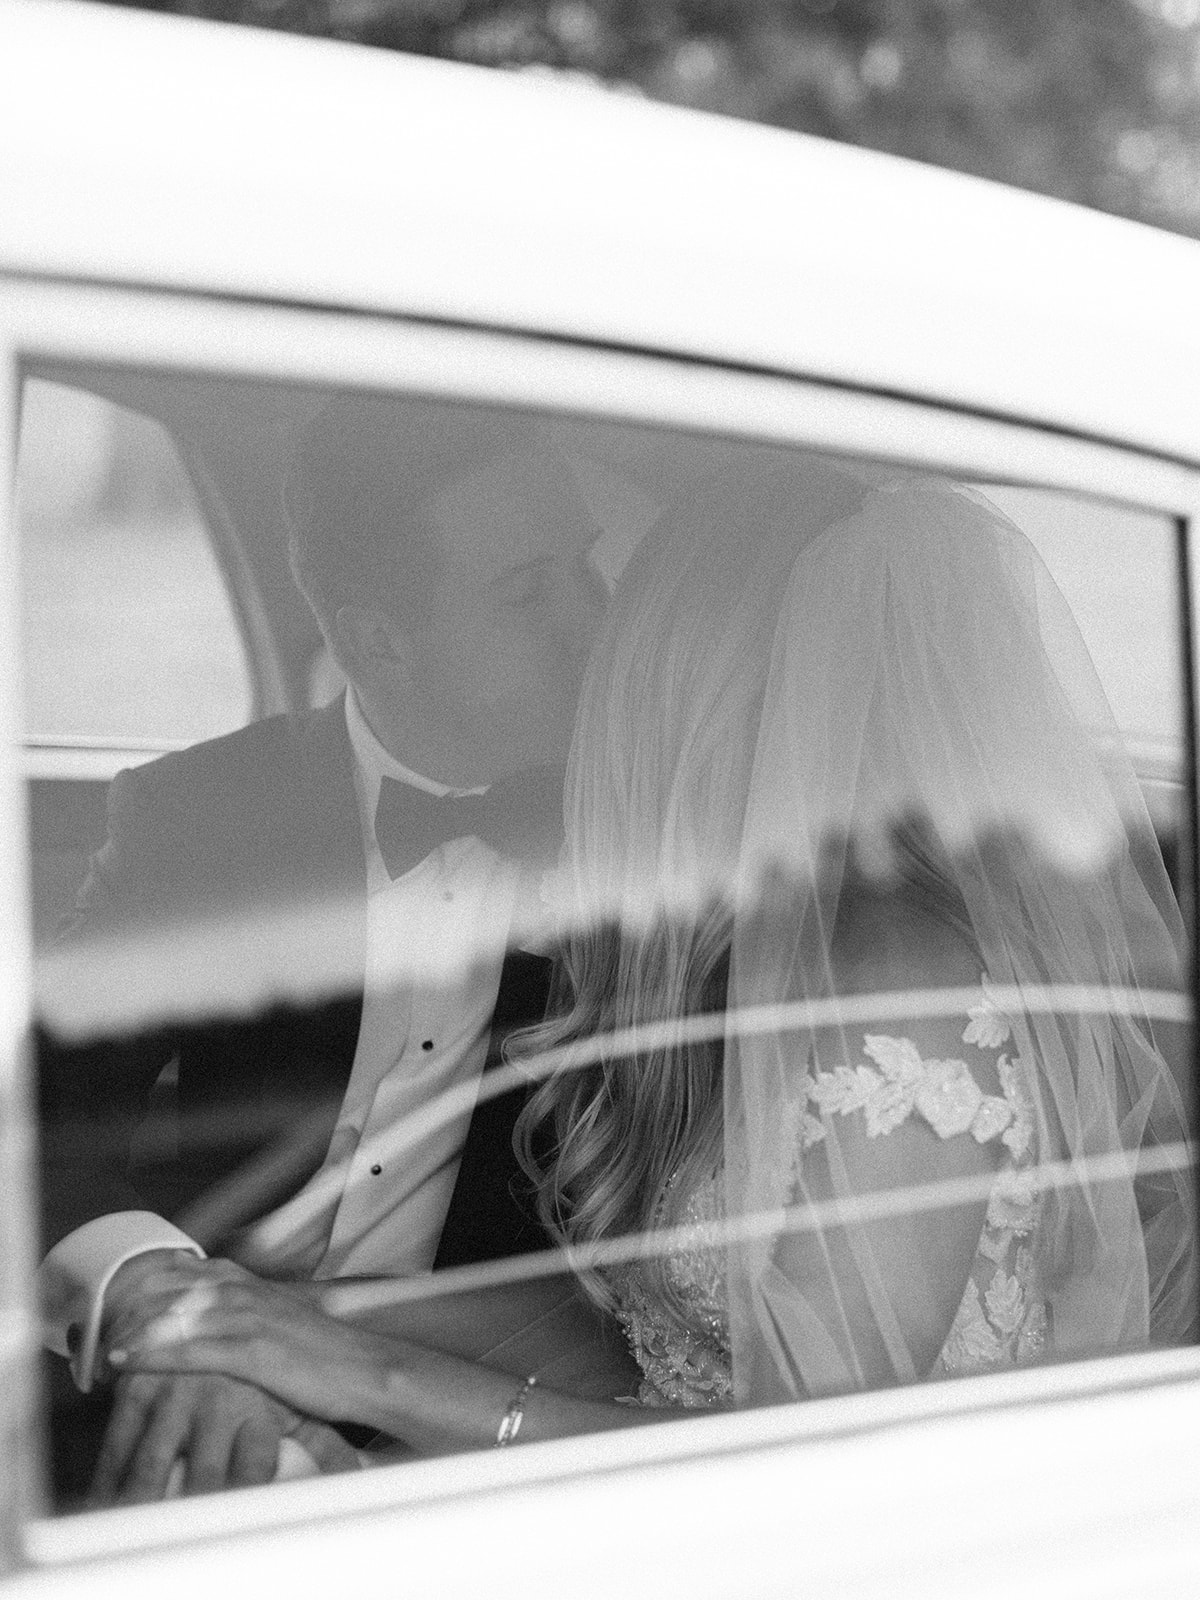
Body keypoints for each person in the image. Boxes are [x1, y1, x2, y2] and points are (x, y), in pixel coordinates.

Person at [104, 455, 1196, 1445]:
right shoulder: (752, 947)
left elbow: (799, 1467)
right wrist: (288, 1319)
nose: (596, 670)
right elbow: (647, 1331)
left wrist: (367, 1373)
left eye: (625, 639)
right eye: (541, 595)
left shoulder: (903, 989)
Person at [36, 393, 611, 1500]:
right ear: (376, 639)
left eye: (586, 567)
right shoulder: (198, 817)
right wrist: (169, 1302)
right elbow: (36, 1113)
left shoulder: (644, 839)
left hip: (476, 1434)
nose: (596, 624)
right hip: (170, 1394)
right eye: (528, 592)